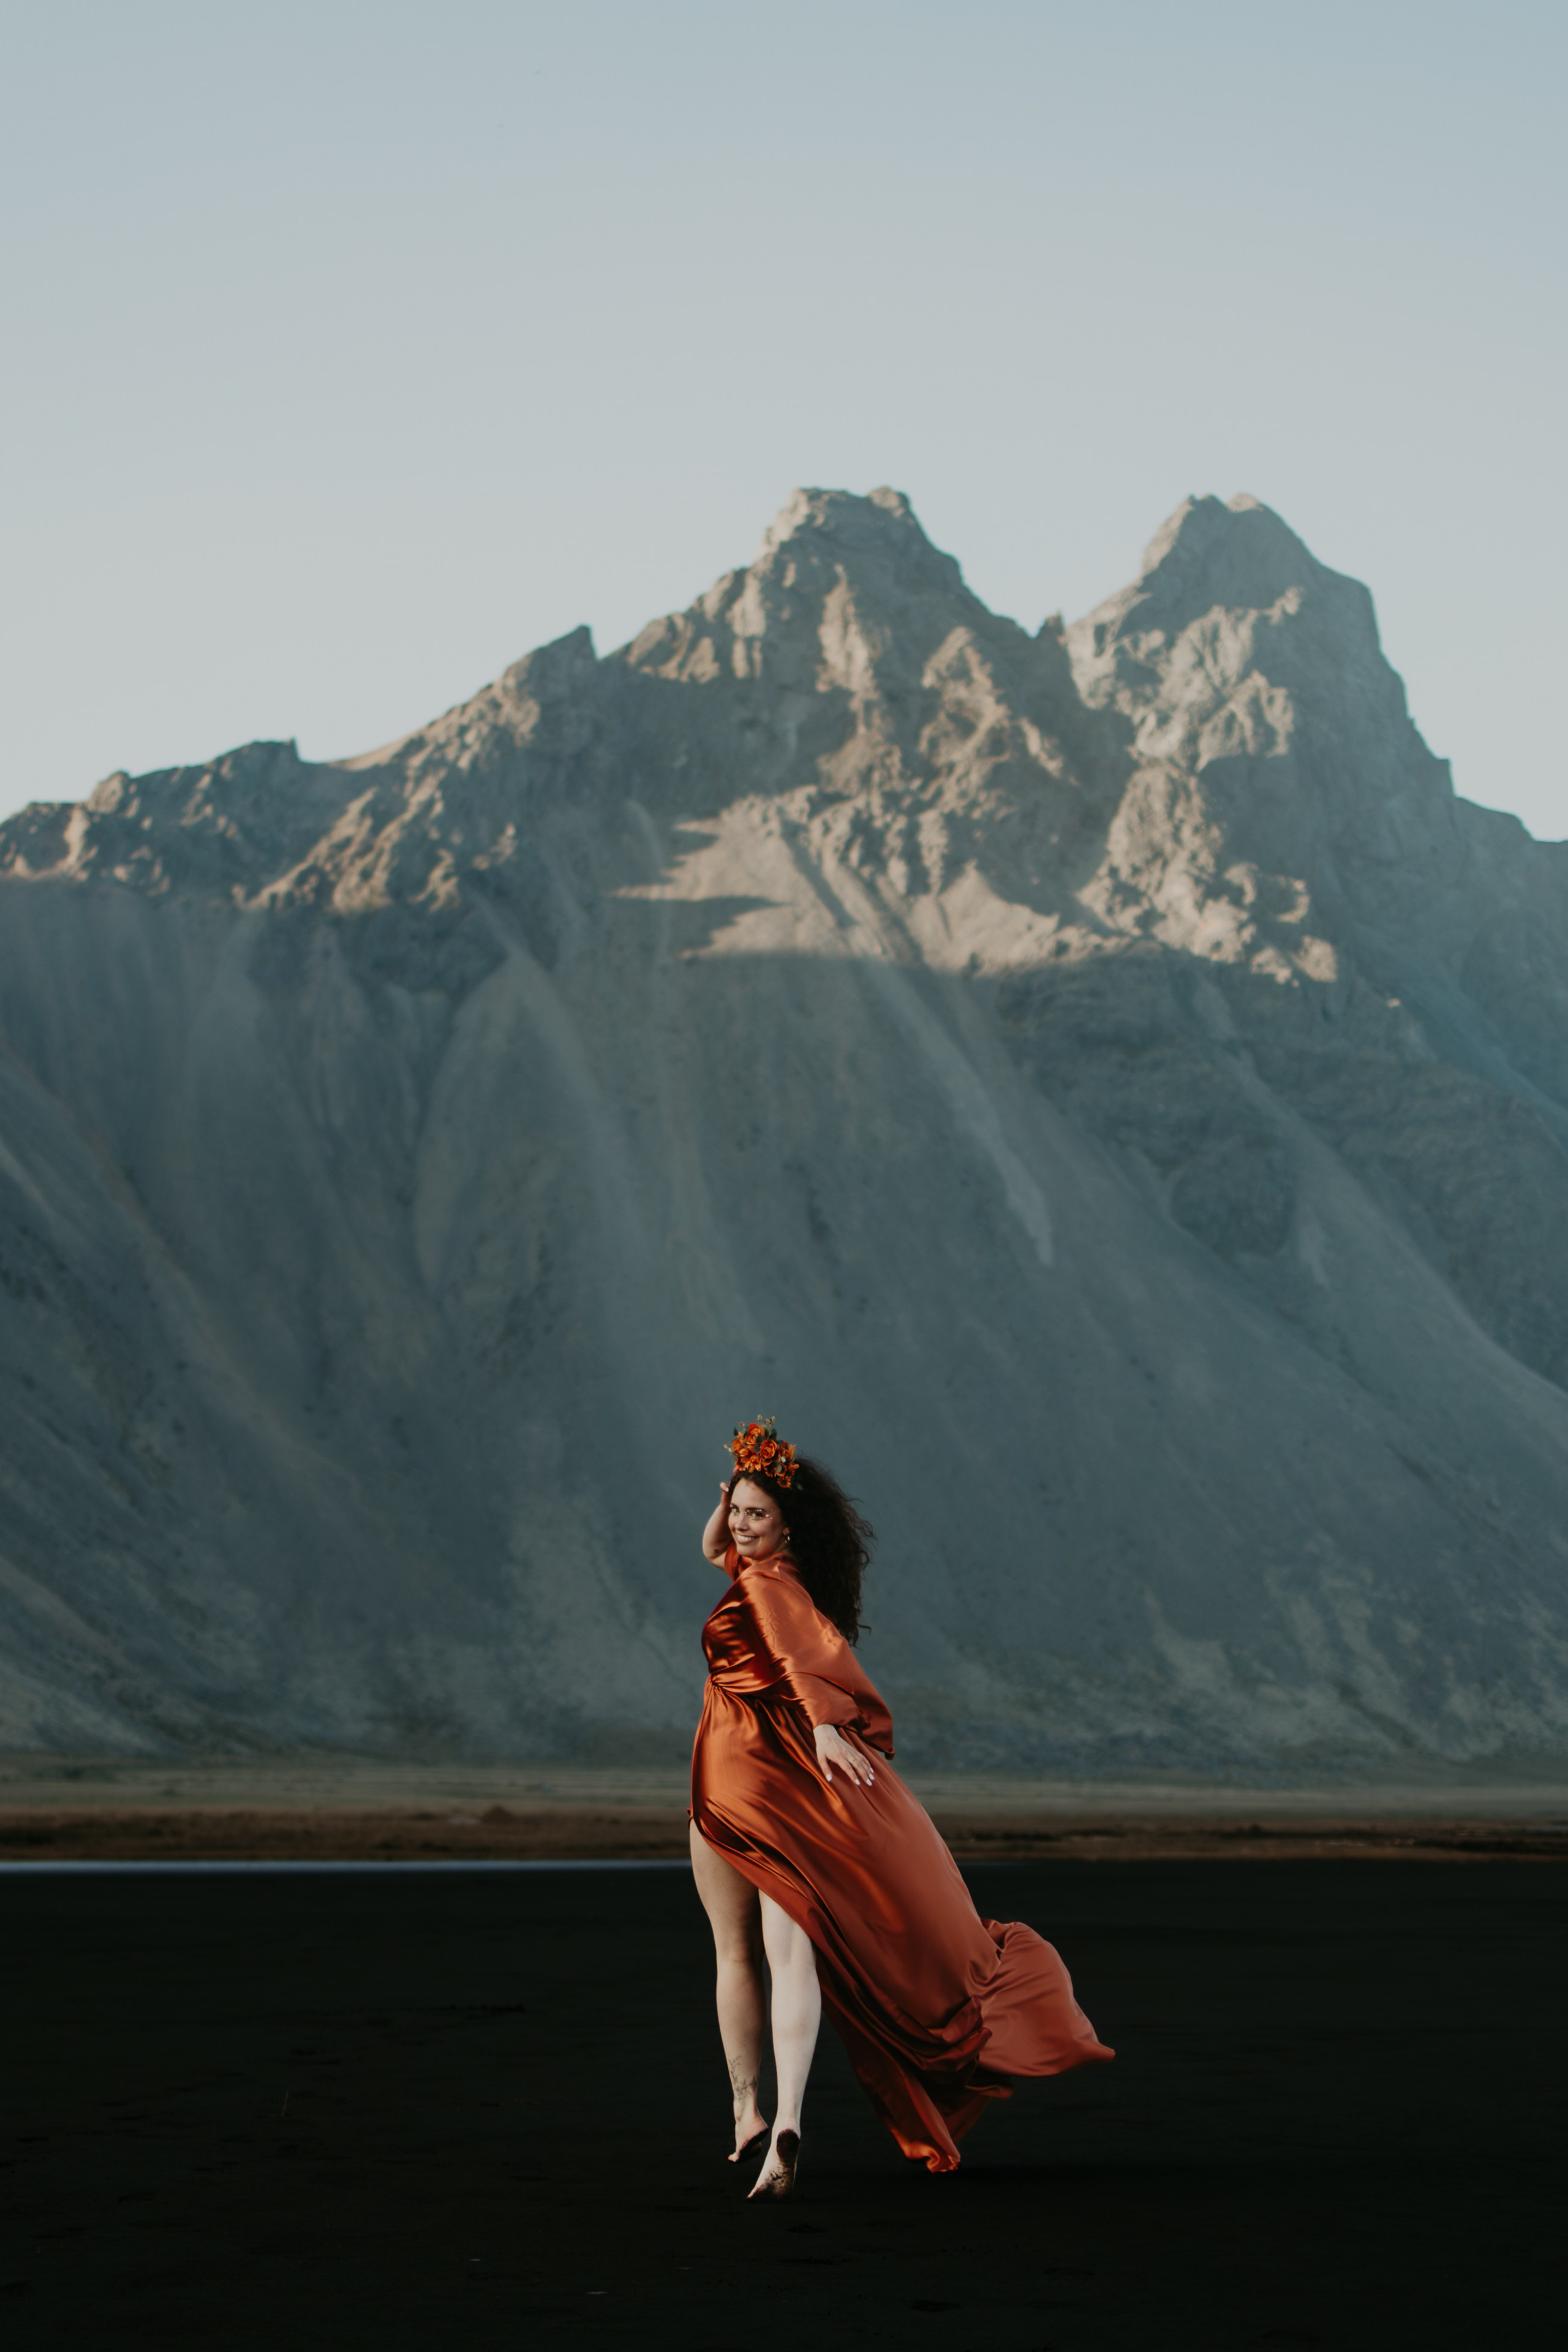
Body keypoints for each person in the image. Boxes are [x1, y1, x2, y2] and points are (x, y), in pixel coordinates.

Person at [690, 1417, 1114, 2199]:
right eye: (739, 1513)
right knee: (791, 1958)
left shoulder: (763, 1586)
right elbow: (716, 1549)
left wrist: (821, 1720)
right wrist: (729, 1504)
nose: (741, 1528)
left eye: (756, 1515)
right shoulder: (774, 1571)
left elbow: (792, 1654)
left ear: (786, 1526)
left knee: (738, 1953)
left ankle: (751, 2108)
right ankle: (782, 2115)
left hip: (737, 1782)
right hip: (783, 1790)